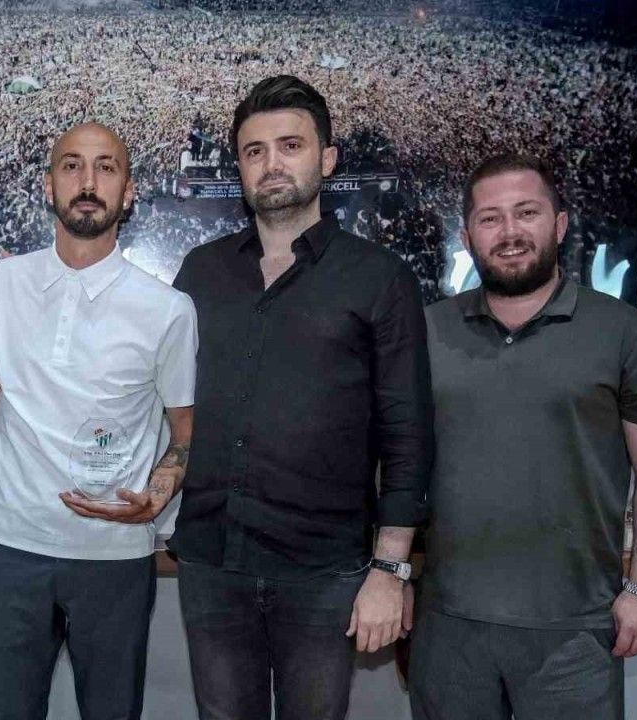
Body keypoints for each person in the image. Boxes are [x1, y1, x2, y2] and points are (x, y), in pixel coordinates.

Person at [169, 75, 433, 720]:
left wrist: (391, 570)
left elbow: (407, 433)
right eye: (254, 151)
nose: (272, 164)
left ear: (327, 158)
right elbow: (166, 401)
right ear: (238, 167)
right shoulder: (200, 272)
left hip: (324, 569)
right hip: (212, 559)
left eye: (291, 146)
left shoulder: (379, 278)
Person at [409, 153, 637, 720]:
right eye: (490, 218)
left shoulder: (627, 333)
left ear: (559, 224)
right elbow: (395, 460)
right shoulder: (425, 332)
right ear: (467, 237)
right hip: (448, 627)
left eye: (527, 212)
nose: (509, 232)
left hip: (576, 632)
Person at [0, 122, 197, 720]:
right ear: (48, 185)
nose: (88, 182)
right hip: (12, 549)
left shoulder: (169, 310)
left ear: (129, 191)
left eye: (106, 167)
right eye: (71, 165)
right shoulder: (0, 283)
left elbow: (185, 432)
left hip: (115, 556)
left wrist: (156, 498)